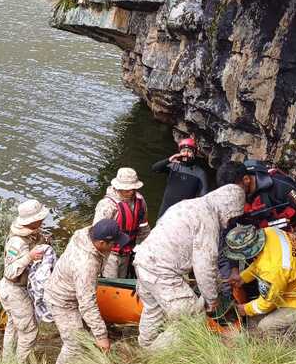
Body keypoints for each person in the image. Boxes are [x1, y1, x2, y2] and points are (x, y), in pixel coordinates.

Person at [132, 184, 245, 349]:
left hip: (143, 260)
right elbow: (204, 266)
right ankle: (153, 354)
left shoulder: (187, 204)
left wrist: (218, 281)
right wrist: (211, 298)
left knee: (153, 308)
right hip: (162, 271)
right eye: (232, 217)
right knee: (190, 318)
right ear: (228, 209)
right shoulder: (208, 220)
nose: (228, 223)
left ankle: (145, 344)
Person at [44, 219, 129, 364]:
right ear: (102, 242)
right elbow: (87, 305)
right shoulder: (86, 265)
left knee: (85, 332)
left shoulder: (85, 233)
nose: (115, 247)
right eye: (113, 244)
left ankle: (79, 363)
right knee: (74, 343)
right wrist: (102, 337)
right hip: (62, 301)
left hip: (70, 287)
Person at [223, 224, 296, 336]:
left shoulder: (273, 270)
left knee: (266, 327)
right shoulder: (270, 232)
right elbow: (261, 261)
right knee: (254, 319)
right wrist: (243, 278)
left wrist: (244, 309)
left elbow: (265, 305)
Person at [216, 160, 296, 244]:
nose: (231, 194)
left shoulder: (280, 185)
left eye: (234, 188)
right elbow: (229, 228)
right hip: (268, 235)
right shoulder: (236, 196)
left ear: (246, 179)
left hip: (295, 230)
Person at [0, 199, 49, 363]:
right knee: (29, 331)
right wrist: (29, 257)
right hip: (14, 290)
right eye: (40, 219)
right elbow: (10, 272)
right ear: (32, 221)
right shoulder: (17, 242)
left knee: (13, 326)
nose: (43, 220)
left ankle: (7, 363)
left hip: (18, 289)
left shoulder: (32, 233)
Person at [92, 167, 150, 278]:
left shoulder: (140, 201)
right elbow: (96, 234)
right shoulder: (107, 205)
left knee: (123, 280)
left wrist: (145, 248)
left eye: (134, 188)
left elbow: (144, 227)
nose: (131, 192)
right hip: (110, 253)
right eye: (127, 189)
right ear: (118, 187)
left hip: (128, 251)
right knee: (112, 282)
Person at [151, 137, 209, 219]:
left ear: (194, 153)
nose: (186, 154)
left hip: (183, 214)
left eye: (189, 151)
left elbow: (204, 197)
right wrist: (169, 160)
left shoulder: (200, 173)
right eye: (183, 151)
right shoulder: (174, 166)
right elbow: (155, 168)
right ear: (179, 152)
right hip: (165, 212)